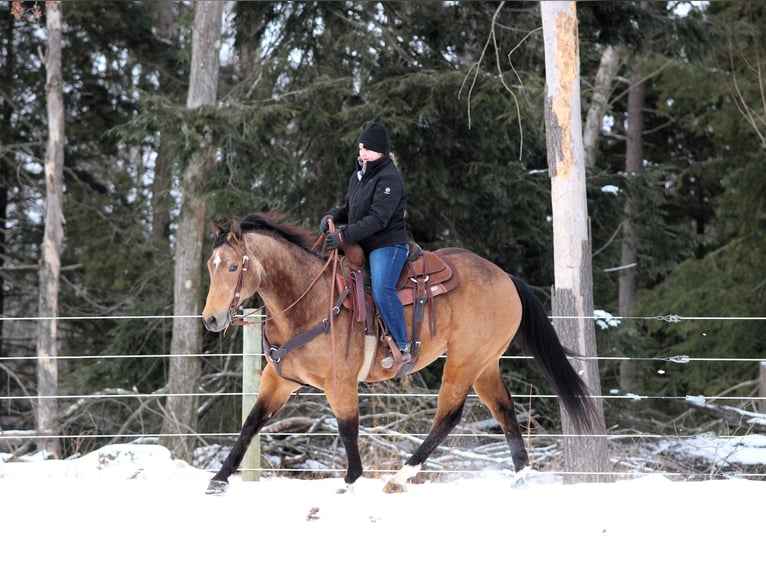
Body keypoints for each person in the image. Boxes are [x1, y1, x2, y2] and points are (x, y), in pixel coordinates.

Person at [321, 121, 411, 369]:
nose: (363, 153)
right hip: (362, 242)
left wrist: (344, 236)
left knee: (382, 289)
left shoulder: (390, 178)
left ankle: (403, 347)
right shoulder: (359, 175)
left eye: (368, 149)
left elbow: (378, 219)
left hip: (387, 245)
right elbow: (349, 208)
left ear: (381, 151)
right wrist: (332, 217)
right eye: (361, 147)